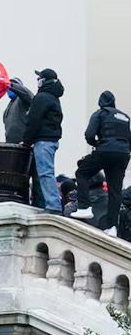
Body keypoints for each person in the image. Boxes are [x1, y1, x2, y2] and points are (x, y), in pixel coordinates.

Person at [70, 91, 131, 231]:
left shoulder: (100, 113)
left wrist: (97, 144)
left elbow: (89, 134)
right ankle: (112, 226)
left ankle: (84, 207)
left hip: (105, 150)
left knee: (82, 173)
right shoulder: (125, 117)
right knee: (115, 190)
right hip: (123, 154)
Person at [22, 69, 65, 214]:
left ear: (45, 80)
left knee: (45, 173)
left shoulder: (42, 97)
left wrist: (27, 141)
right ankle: (52, 204)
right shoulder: (53, 97)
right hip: (51, 140)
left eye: (39, 78)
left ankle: (53, 205)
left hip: (44, 141)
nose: (37, 80)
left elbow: (33, 120)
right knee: (47, 172)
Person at [3, 78, 34, 144]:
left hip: (23, 144)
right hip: (10, 145)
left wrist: (11, 85)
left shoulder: (23, 101)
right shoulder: (7, 108)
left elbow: (26, 94)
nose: (9, 89)